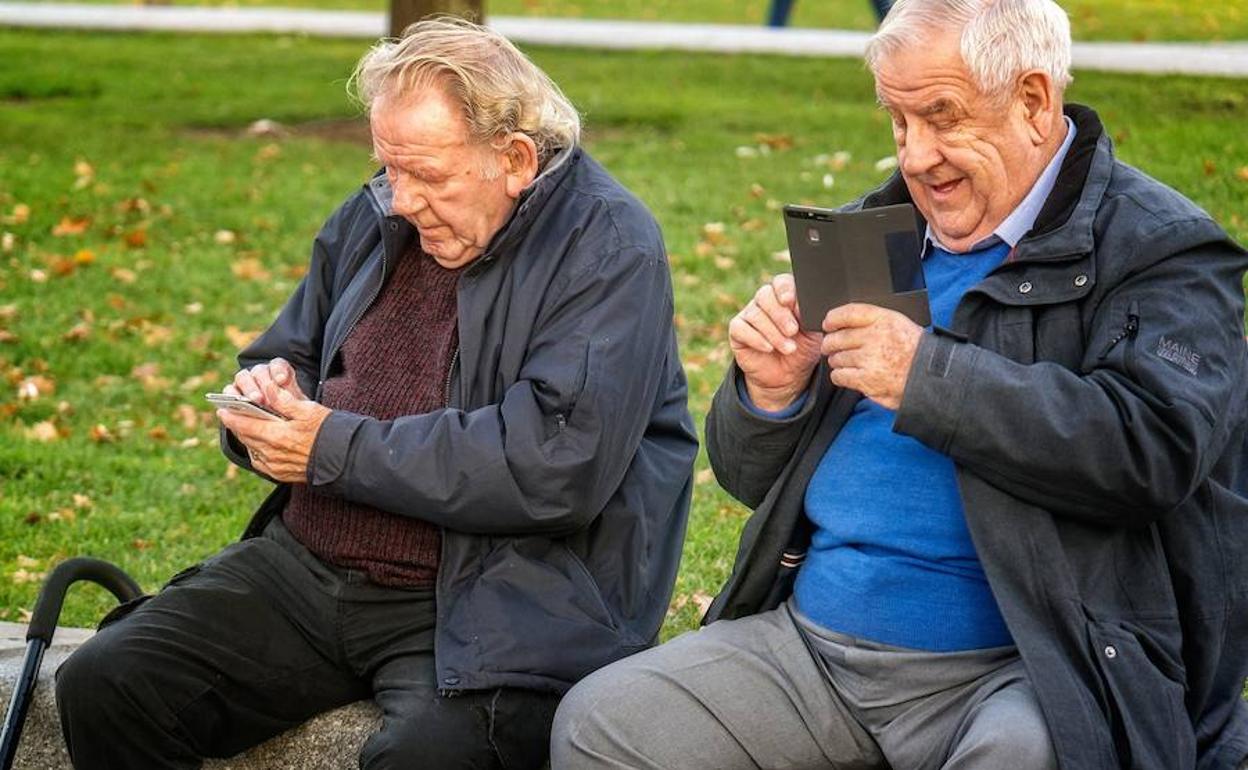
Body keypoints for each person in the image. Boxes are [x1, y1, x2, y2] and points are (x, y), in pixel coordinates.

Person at [552, 0, 1248, 768]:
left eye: (943, 118)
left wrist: (928, 377)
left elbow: (1152, 452)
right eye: (899, 121)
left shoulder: (1159, 251)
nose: (917, 157)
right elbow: (750, 479)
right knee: (603, 722)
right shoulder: (874, 232)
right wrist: (769, 397)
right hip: (814, 653)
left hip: (1029, 666)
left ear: (1034, 101)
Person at [55, 18, 698, 770]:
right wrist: (262, 405)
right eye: (388, 166)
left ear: (515, 159)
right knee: (107, 682)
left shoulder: (607, 243)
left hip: (497, 595)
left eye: (427, 175)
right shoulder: (374, 213)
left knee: (428, 758)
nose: (399, 199)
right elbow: (285, 351)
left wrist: (328, 445)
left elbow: (553, 463)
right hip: (311, 565)